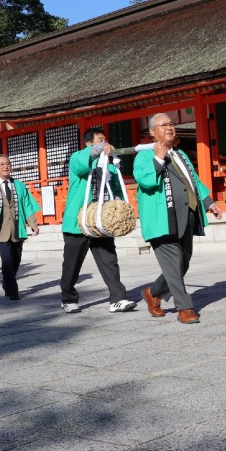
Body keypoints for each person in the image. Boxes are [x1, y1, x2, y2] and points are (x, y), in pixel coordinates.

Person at [134, 113, 222, 324]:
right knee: (174, 263)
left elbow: (194, 181)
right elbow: (146, 181)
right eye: (163, 125)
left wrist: (209, 202)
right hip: (162, 219)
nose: (169, 128)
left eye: (172, 124)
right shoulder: (144, 156)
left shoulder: (180, 154)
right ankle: (185, 307)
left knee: (183, 262)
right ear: (152, 132)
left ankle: (153, 292)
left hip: (187, 215)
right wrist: (158, 157)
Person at [58, 127, 136, 314]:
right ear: (88, 144)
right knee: (72, 264)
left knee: (109, 260)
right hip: (78, 223)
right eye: (100, 140)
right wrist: (100, 149)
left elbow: (116, 189)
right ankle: (68, 298)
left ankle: (118, 299)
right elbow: (89, 156)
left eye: (105, 140)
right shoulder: (77, 159)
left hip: (101, 222)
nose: (105, 143)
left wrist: (119, 206)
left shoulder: (109, 167)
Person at [0, 155, 41, 300]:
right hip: (0, 231)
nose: (5, 167)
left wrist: (33, 224)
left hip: (17, 229)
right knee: (6, 259)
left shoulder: (19, 185)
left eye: (8, 164)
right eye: (1, 164)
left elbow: (27, 205)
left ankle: (7, 283)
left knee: (16, 260)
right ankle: (13, 290)